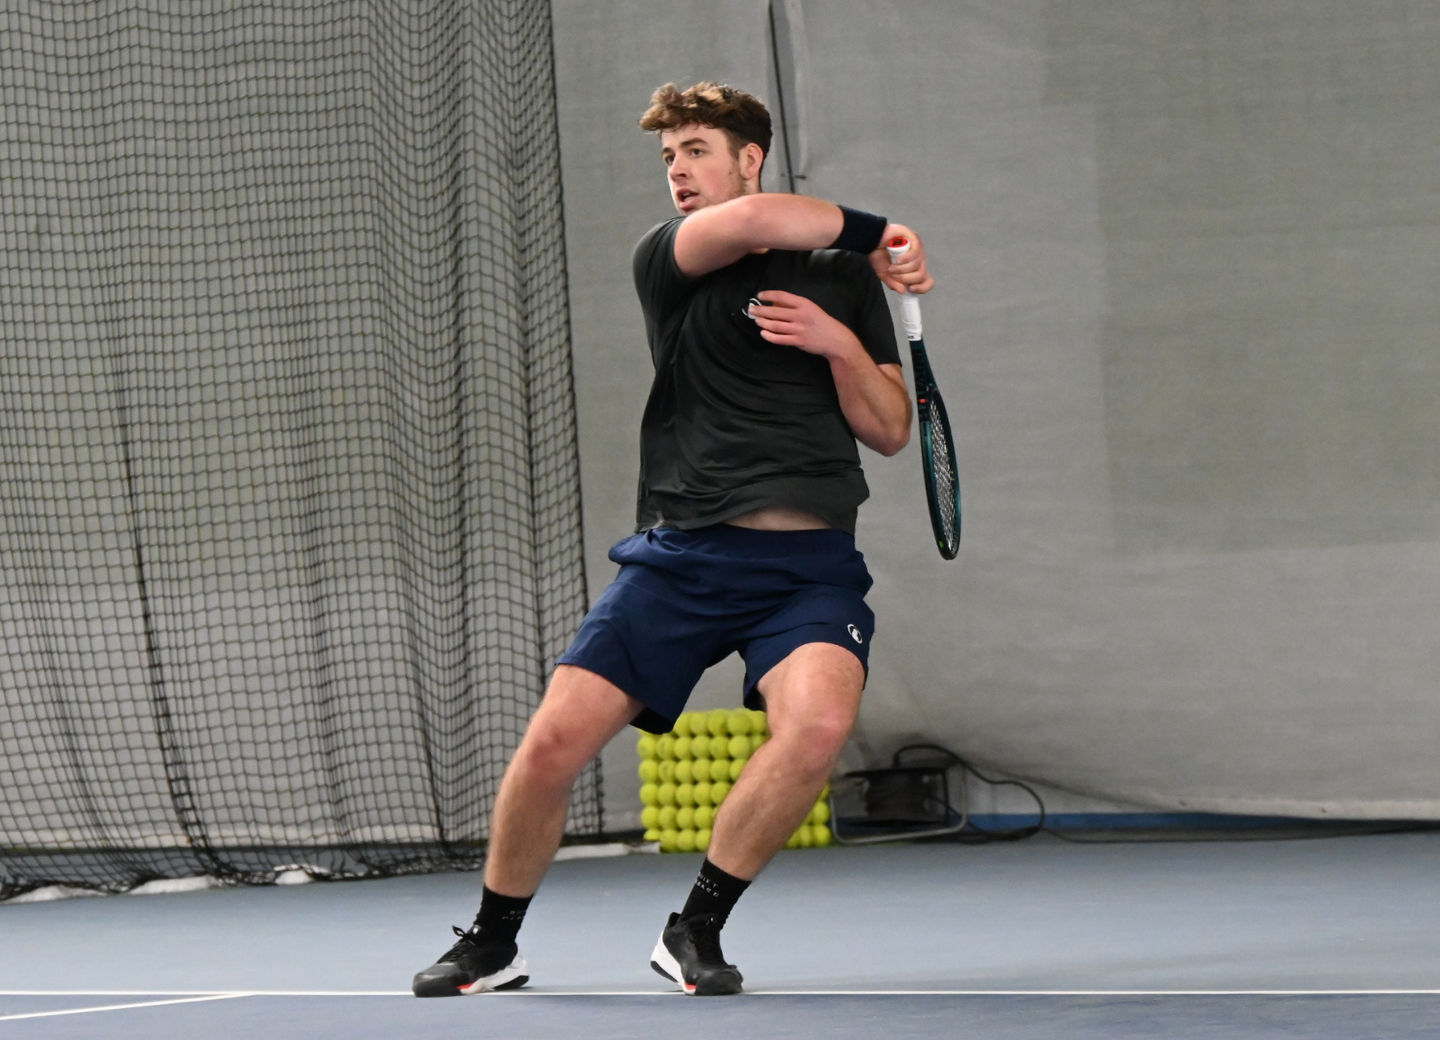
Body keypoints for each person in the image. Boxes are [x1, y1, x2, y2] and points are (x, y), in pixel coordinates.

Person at [411, 80, 933, 998]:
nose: (680, 172)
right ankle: (493, 942)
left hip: (808, 569)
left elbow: (891, 428)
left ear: (748, 154)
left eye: (697, 151)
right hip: (685, 557)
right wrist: (885, 230)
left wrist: (837, 343)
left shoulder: (840, 279)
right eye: (670, 157)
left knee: (816, 726)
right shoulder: (674, 256)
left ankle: (694, 929)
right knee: (552, 746)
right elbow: (769, 220)